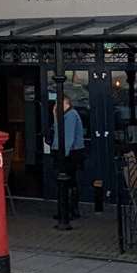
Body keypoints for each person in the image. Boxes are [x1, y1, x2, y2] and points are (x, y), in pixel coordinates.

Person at [54, 94, 85, 230]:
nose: (55, 107)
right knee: (67, 182)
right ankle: (66, 210)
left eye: (57, 105)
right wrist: (55, 116)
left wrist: (63, 155)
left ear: (65, 104)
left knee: (69, 181)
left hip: (70, 154)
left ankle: (70, 211)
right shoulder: (65, 115)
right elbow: (57, 132)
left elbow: (68, 137)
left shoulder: (71, 115)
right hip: (67, 152)